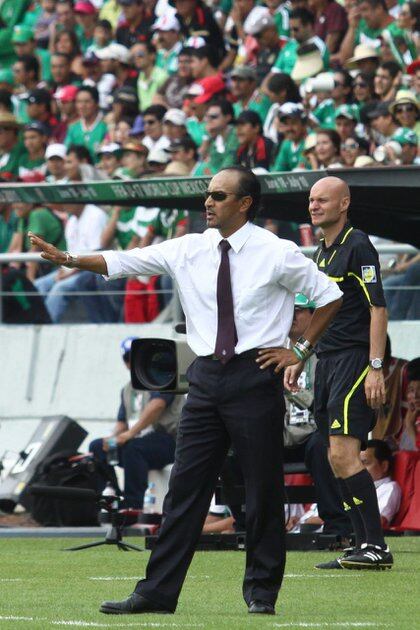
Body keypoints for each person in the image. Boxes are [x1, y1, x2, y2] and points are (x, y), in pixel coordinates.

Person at [29, 165, 342, 616]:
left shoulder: (277, 251)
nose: (208, 202)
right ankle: (155, 593)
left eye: (218, 195)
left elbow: (330, 295)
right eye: (207, 194)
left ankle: (261, 592)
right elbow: (124, 260)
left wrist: (300, 349)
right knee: (184, 489)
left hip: (255, 376)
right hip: (205, 377)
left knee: (262, 491)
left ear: (245, 203)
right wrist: (71, 259)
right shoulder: (189, 247)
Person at [286, 175, 392, 570]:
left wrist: (375, 367)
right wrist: (300, 356)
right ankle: (361, 543)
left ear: (344, 203)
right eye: (311, 200)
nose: (314, 206)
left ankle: (376, 546)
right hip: (326, 361)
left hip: (353, 358)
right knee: (334, 457)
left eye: (323, 200)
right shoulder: (321, 252)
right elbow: (321, 316)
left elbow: (377, 308)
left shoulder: (358, 245)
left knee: (343, 452)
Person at [89, 336, 184, 509]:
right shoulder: (127, 389)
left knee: (133, 448)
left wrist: (128, 435)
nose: (131, 363)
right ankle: (112, 498)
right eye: (127, 358)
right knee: (96, 447)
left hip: (170, 440)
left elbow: (157, 405)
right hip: (138, 440)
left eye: (135, 357)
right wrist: (111, 439)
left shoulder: (161, 378)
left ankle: (134, 504)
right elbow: (122, 423)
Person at [360, 440, 401, 528]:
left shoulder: (389, 488)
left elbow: (378, 522)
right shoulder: (360, 488)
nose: (359, 469)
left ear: (384, 466)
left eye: (365, 463)